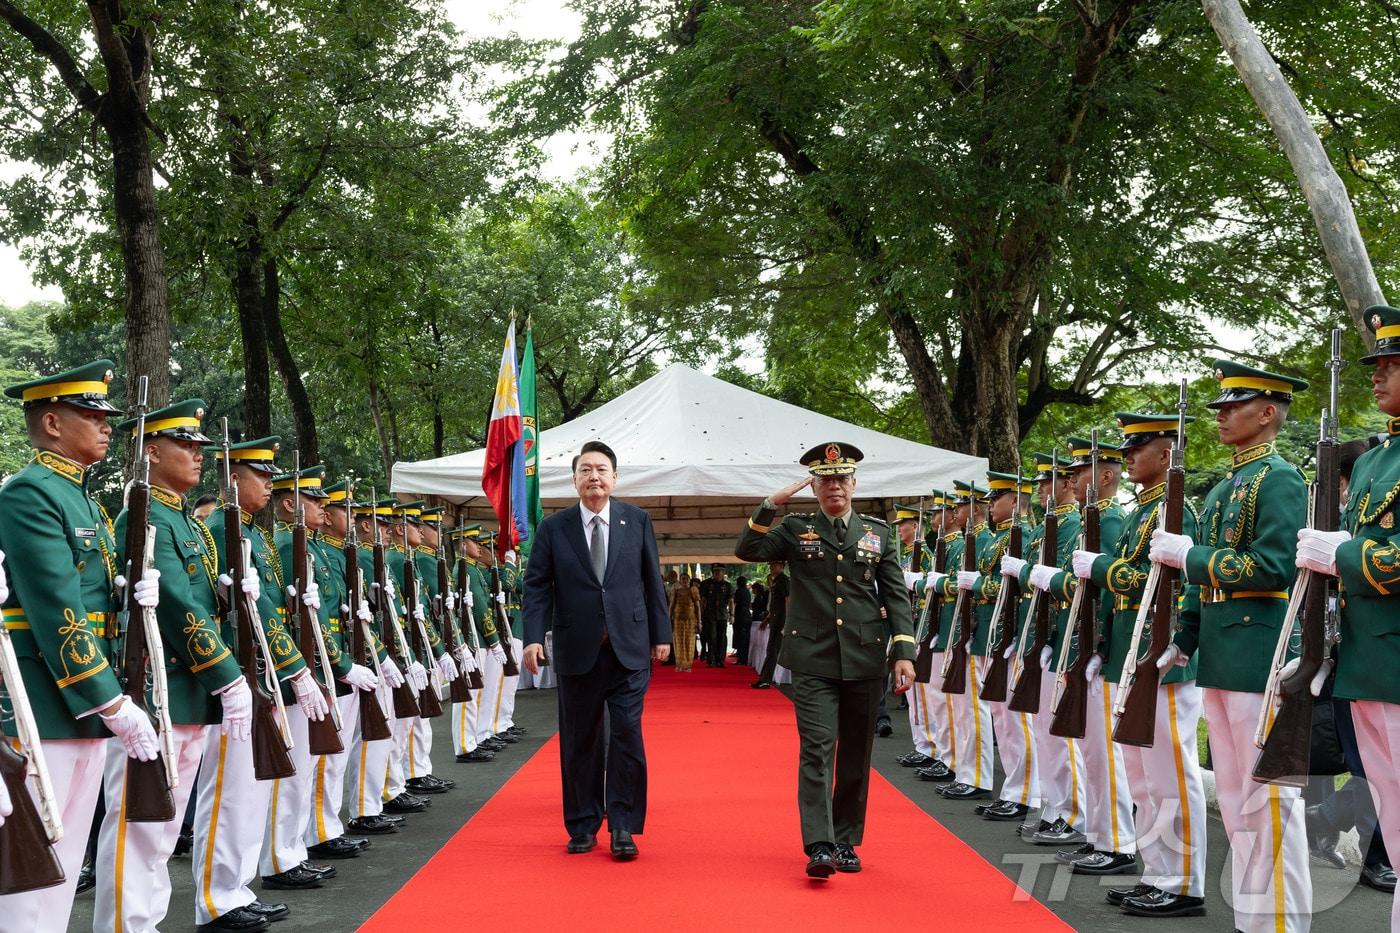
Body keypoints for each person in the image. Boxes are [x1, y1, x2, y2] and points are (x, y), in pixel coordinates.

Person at [1151, 358, 1312, 933]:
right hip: (1220, 655)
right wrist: (1184, 639)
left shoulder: (1281, 479)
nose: (1221, 416)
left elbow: (1273, 566)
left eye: (1233, 406)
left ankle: (1280, 924)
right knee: (1241, 806)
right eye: (1220, 406)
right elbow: (1205, 585)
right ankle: (1253, 919)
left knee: (1267, 802)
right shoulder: (1225, 487)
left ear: (1267, 413)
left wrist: (1189, 557)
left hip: (1258, 656)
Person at [0, 361, 161, 932]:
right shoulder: (30, 493)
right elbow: (55, 609)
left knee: (65, 864)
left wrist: (128, 593)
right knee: (34, 864)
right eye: (91, 416)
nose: (106, 426)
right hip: (46, 702)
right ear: (51, 423)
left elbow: (92, 601)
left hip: (84, 704)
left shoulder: (84, 501)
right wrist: (110, 700)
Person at [93, 399, 251, 933]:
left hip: (187, 691)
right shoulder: (144, 516)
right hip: (159, 688)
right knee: (139, 825)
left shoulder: (186, 520)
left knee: (163, 827)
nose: (198, 454)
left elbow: (199, 600)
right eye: (185, 445)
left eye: (199, 446)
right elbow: (179, 608)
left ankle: (144, 922)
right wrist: (226, 675)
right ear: (152, 452)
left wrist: (229, 594)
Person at [735, 441, 917, 878]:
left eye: (841, 479)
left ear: (854, 484)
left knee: (856, 752)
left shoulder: (878, 533)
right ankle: (819, 843)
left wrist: (904, 652)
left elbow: (895, 594)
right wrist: (770, 505)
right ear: (814, 487)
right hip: (813, 658)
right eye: (825, 480)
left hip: (865, 656)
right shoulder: (795, 528)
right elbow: (748, 550)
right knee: (816, 749)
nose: (834, 485)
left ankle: (846, 840)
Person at [1081, 412, 1208, 917]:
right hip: (1130, 651)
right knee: (1142, 775)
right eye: (1128, 449)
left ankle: (1183, 882)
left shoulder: (1178, 511)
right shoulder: (1142, 512)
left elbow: (1171, 586)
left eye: (1138, 448)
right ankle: (1157, 873)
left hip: (1163, 653)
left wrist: (1103, 568)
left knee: (1170, 773)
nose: (1129, 457)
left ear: (1166, 454)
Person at [1298, 305, 1400, 929]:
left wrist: (1343, 553)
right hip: (1363, 660)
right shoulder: (1372, 461)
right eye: (1377, 364)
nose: (1377, 374)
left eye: (1391, 364)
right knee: (1390, 816)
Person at [521, 440, 672, 860]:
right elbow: (537, 586)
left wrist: (661, 634)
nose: (594, 476)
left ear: (615, 478)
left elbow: (652, 580)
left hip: (629, 649)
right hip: (577, 650)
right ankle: (583, 824)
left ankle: (623, 826)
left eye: (601, 469)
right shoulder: (554, 528)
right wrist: (532, 637)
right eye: (585, 470)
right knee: (580, 740)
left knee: (626, 735)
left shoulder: (636, 520)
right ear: (574, 480)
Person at [199, 435, 324, 931]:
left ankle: (235, 889)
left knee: (251, 790)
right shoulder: (217, 529)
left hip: (262, 669)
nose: (271, 484)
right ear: (234, 478)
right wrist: (294, 665)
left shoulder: (256, 534)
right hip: (237, 672)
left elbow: (270, 606)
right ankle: (219, 897)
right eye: (262, 475)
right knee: (231, 794)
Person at [1041, 436, 1134, 875]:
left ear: (1106, 476)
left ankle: (1117, 842)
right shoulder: (1084, 521)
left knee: (1103, 753)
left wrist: (1099, 647)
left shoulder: (1110, 520)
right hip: (1078, 644)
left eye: (1081, 473)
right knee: (1090, 751)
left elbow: (1109, 592)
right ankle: (1100, 836)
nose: (1073, 480)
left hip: (1096, 649)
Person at [751, 562, 789, 688]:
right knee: (770, 650)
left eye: (774, 564)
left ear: (781, 566)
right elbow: (776, 604)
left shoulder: (783, 580)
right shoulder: (776, 581)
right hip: (775, 619)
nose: (771, 567)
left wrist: (787, 622)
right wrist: (767, 618)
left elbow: (788, 600)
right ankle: (764, 678)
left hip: (780, 621)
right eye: (771, 564)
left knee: (772, 650)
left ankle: (766, 679)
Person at [698, 564, 734, 667]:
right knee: (711, 636)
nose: (717, 573)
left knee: (722, 637)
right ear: (713, 572)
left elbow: (731, 601)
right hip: (710, 614)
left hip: (722, 614)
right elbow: (703, 601)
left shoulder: (727, 585)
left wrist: (732, 615)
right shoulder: (707, 584)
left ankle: (720, 660)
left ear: (723, 573)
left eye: (720, 571)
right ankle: (711, 659)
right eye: (715, 571)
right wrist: (700, 615)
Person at [669, 571, 700, 672]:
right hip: (677, 620)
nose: (685, 581)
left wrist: (699, 621)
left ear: (689, 580)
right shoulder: (676, 591)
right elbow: (671, 606)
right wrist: (669, 619)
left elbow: (697, 607)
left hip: (690, 620)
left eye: (686, 579)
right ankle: (679, 664)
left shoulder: (693, 590)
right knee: (678, 642)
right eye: (683, 579)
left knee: (689, 642)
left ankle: (688, 665)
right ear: (680, 581)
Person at [732, 575, 753, 667]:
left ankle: (741, 658)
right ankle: (744, 658)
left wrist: (731, 614)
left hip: (740, 615)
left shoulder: (739, 591)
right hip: (747, 615)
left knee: (740, 637)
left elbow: (735, 603)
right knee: (746, 637)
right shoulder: (748, 592)